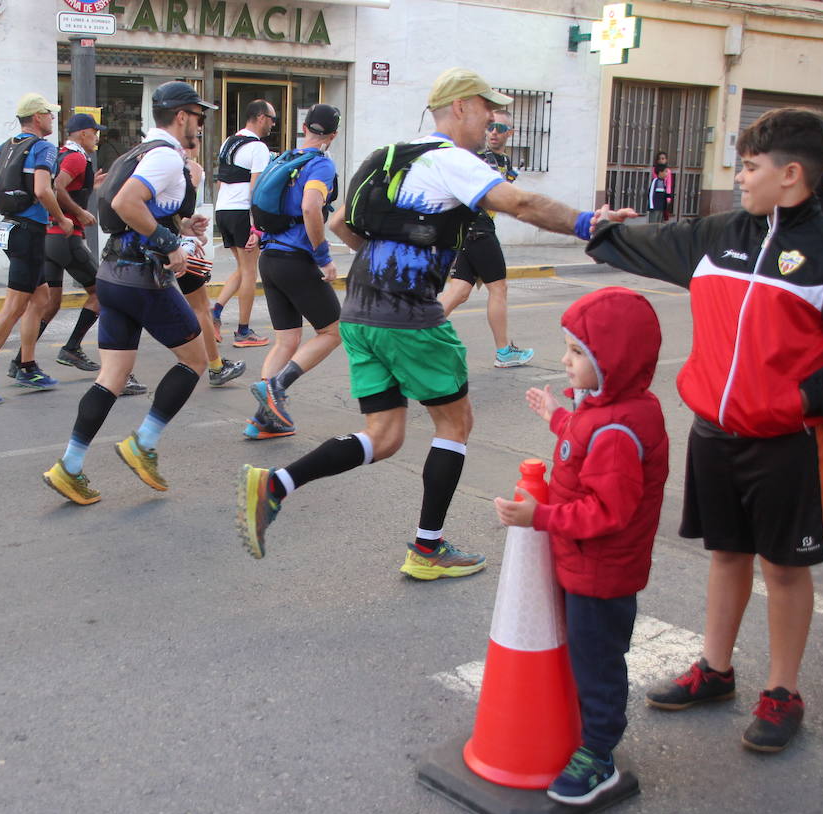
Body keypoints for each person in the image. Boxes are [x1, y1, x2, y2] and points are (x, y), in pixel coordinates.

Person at [237, 67, 630, 579]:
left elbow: (340, 225)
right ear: (460, 107)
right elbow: (520, 202)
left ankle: (276, 485)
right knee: (456, 423)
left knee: (385, 436)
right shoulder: (450, 162)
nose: (494, 119)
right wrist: (587, 224)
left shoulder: (386, 157)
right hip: (408, 316)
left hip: (358, 311)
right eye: (488, 109)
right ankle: (427, 549)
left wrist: (390, 258)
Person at [587, 107, 823, 753]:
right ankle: (715, 669)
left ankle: (783, 692)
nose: (738, 178)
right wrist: (600, 229)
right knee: (726, 553)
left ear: (791, 175)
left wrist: (799, 402)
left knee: (784, 568)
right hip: (715, 433)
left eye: (749, 167)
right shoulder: (719, 233)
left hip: (789, 440)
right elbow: (647, 242)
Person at [494, 286, 668, 804]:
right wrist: (554, 413)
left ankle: (599, 756)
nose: (565, 361)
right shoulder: (605, 407)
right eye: (568, 348)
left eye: (578, 353)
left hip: (601, 573)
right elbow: (582, 434)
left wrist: (538, 517)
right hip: (585, 564)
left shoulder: (618, 427)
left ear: (612, 361)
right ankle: (587, 733)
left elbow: (607, 511)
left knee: (597, 662)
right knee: (586, 656)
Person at [42, 81, 216, 505]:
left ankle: (69, 466)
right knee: (196, 360)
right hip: (143, 279)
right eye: (198, 116)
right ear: (181, 116)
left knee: (112, 377)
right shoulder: (167, 158)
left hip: (112, 277)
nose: (200, 124)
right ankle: (143, 443)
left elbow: (129, 211)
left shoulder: (132, 153)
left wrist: (178, 225)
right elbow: (125, 205)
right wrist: (170, 244)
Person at [0, 92, 74, 405]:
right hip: (29, 232)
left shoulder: (4, 147)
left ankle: (27, 365)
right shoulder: (42, 148)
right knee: (14, 305)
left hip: (9, 229)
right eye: (49, 114)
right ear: (37, 117)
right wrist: (62, 219)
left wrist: (5, 208)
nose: (52, 118)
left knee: (41, 296)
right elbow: (41, 189)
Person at [247, 104, 344, 439]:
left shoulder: (283, 159)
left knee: (287, 340)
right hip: (295, 259)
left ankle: (263, 419)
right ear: (332, 135)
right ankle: (277, 388)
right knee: (332, 332)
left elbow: (256, 199)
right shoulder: (320, 164)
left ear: (304, 126)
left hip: (270, 258)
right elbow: (310, 207)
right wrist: (323, 257)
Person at [39, 112, 146, 396]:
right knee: (102, 293)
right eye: (94, 132)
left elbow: (65, 186)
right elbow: (56, 187)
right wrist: (77, 212)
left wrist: (90, 187)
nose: (97, 137)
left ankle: (23, 361)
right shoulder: (76, 157)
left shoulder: (63, 154)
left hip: (48, 239)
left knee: (50, 303)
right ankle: (73, 347)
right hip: (67, 238)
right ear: (83, 133)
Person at [437, 108, 534, 369]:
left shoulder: (507, 163)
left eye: (500, 129)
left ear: (510, 133)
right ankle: (504, 352)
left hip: (470, 230)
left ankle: (416, 333)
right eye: (490, 127)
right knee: (498, 288)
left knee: (459, 290)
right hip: (476, 227)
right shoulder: (479, 156)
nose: (493, 132)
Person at [179, 139, 246, 389]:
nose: (199, 139)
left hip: (160, 245)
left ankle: (119, 373)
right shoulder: (190, 169)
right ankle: (215, 367)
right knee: (200, 309)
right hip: (175, 248)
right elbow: (181, 209)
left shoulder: (146, 159)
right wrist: (186, 232)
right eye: (195, 135)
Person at [211, 99, 275, 349]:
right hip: (242, 213)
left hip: (224, 209)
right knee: (250, 272)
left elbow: (221, 180)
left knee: (241, 267)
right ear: (260, 117)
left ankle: (214, 313)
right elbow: (256, 189)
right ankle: (243, 331)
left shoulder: (229, 142)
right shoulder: (258, 148)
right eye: (271, 119)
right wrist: (256, 226)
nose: (272, 124)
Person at [646, 151, 673, 223]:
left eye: (663, 158)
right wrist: (651, 206)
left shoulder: (667, 172)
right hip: (655, 206)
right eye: (660, 159)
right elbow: (651, 194)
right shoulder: (655, 177)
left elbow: (668, 185)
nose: (661, 160)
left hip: (661, 205)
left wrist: (668, 197)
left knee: (660, 221)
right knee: (653, 222)